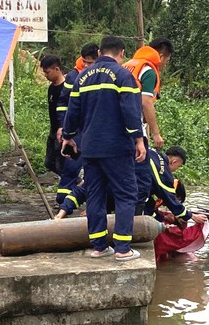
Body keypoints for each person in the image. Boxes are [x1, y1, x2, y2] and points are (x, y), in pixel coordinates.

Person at [62, 35, 145, 261]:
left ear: (99, 52)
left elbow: (73, 110)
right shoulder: (123, 75)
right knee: (126, 194)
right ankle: (123, 249)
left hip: (90, 148)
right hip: (117, 147)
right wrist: (139, 139)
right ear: (122, 53)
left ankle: (99, 247)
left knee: (95, 195)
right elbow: (130, 111)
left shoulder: (82, 77)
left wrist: (68, 136)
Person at [124, 37, 174, 215]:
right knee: (142, 180)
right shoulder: (148, 71)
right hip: (133, 131)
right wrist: (156, 133)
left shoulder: (128, 65)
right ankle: (134, 225)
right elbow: (145, 102)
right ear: (161, 56)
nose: (165, 64)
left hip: (116, 129)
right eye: (167, 60)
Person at [55, 43, 99, 204]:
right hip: (78, 129)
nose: (87, 65)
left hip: (93, 128)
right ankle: (63, 198)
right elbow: (64, 103)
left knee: (92, 165)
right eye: (85, 61)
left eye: (90, 62)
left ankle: (83, 195)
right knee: (72, 163)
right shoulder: (74, 76)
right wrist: (64, 127)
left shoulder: (101, 75)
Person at [40, 55, 66, 176]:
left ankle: (78, 186)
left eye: (47, 72)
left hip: (63, 132)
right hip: (53, 131)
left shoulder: (67, 88)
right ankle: (77, 183)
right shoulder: (51, 88)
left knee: (62, 165)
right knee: (49, 163)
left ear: (57, 69)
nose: (46, 75)